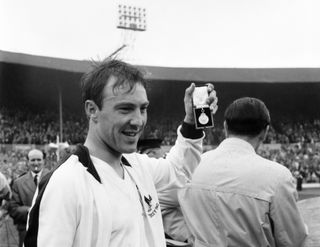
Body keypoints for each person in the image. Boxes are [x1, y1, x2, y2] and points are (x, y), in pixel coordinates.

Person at [24, 59, 218, 247]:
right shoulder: (65, 183)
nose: (138, 120)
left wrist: (192, 124)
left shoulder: (138, 165)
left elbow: (179, 172)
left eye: (143, 109)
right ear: (92, 110)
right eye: (125, 109)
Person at [179, 97, 308, 247]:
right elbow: (293, 241)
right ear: (265, 132)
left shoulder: (191, 166)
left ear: (225, 127)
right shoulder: (278, 177)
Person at [137, 138, 191, 247]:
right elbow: (184, 190)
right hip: (177, 235)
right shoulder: (156, 180)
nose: (163, 159)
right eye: (161, 156)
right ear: (149, 154)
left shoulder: (143, 174)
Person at [8, 149, 49, 247]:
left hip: (48, 229)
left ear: (44, 161)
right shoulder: (19, 183)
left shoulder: (54, 178)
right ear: (28, 162)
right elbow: (13, 209)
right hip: (26, 231)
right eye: (33, 160)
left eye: (39, 160)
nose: (36, 163)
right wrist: (31, 210)